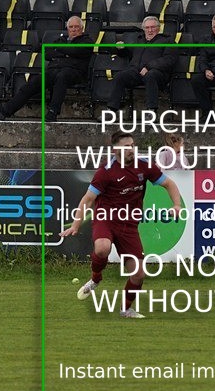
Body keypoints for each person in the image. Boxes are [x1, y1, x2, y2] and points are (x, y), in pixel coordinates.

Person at [60, 132, 182, 318]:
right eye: (126, 147)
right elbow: (88, 199)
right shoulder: (106, 172)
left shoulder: (144, 166)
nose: (131, 150)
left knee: (139, 274)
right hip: (106, 219)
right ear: (115, 150)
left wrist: (176, 205)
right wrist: (76, 225)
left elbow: (169, 184)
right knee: (102, 248)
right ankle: (96, 278)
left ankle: (126, 309)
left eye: (132, 145)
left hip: (129, 226)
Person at [0, 16, 92, 122]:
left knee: (62, 77)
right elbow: (47, 53)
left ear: (82, 28)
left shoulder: (87, 41)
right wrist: (67, 52)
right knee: (34, 82)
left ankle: (53, 112)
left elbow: (77, 50)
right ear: (67, 29)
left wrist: (60, 50)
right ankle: (6, 109)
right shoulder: (61, 39)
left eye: (76, 27)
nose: (73, 29)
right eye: (71, 27)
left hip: (75, 72)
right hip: (54, 70)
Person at [106, 16, 178, 115]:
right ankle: (111, 111)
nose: (150, 30)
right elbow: (129, 54)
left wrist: (149, 67)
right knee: (120, 76)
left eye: (153, 27)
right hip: (136, 71)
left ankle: (151, 111)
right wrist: (121, 49)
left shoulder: (168, 41)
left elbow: (169, 59)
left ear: (159, 28)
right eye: (147, 28)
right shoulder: (139, 40)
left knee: (150, 75)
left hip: (158, 73)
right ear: (143, 29)